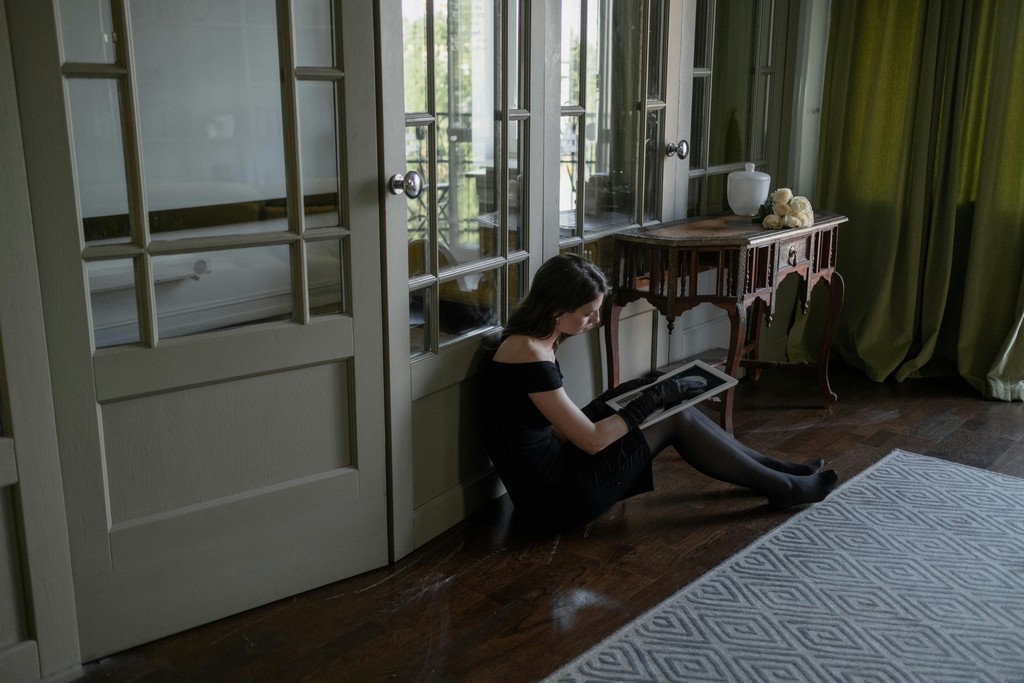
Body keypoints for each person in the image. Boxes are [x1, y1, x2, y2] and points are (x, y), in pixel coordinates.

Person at [481, 253, 838, 533]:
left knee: (668, 400)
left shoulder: (536, 341)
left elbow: (560, 428)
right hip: (555, 501)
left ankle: (777, 471)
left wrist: (637, 391)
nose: (595, 322)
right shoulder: (528, 352)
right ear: (558, 310)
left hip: (556, 474)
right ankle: (784, 488)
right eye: (589, 314)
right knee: (674, 415)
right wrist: (650, 400)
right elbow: (588, 440)